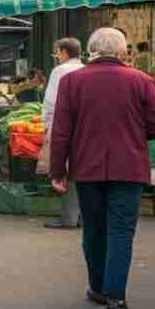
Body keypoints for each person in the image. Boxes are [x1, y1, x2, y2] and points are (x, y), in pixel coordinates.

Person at [50, 27, 155, 309]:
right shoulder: (141, 81)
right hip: (129, 168)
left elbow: (61, 132)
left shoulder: (71, 81)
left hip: (87, 168)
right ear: (123, 51)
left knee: (93, 228)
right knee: (121, 231)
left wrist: (58, 171)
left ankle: (98, 288)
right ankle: (117, 297)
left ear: (91, 50)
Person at [39, 38, 86, 230]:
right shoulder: (85, 69)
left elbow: (51, 101)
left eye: (58, 52)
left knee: (65, 170)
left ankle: (68, 218)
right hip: (83, 126)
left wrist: (46, 124)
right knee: (81, 169)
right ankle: (81, 216)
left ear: (64, 52)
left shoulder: (59, 71)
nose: (57, 56)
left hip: (62, 124)